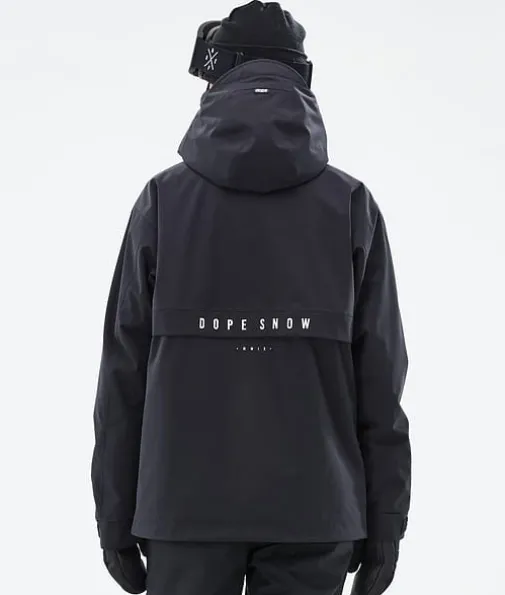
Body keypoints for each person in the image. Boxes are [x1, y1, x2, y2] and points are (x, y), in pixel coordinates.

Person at [91, 2, 411, 595]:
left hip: (181, 511)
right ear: (302, 76)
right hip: (316, 510)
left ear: (215, 76)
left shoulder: (163, 200)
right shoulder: (350, 204)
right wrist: (386, 521)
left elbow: (121, 374)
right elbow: (381, 379)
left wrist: (113, 516)